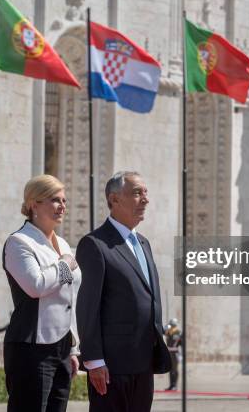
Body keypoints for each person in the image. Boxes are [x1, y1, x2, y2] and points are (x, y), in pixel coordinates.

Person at [76, 171, 171, 412]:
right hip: (111, 367)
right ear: (114, 199)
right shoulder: (95, 244)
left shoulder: (144, 243)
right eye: (137, 193)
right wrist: (94, 360)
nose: (145, 199)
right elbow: (88, 307)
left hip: (143, 362)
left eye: (146, 193)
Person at [2, 174, 81, 412]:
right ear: (34, 203)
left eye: (64, 201)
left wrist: (74, 348)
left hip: (62, 349)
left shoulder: (64, 245)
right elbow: (35, 286)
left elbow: (71, 298)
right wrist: (65, 265)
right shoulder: (19, 242)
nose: (62, 206)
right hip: (30, 348)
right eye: (55, 200)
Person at [163, 318, 182, 391]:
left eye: (171, 324)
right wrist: (167, 327)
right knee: (170, 369)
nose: (170, 326)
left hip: (175, 353)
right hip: (169, 352)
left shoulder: (178, 332)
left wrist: (181, 354)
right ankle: (171, 385)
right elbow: (163, 331)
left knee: (174, 369)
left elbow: (181, 344)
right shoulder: (169, 332)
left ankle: (174, 385)